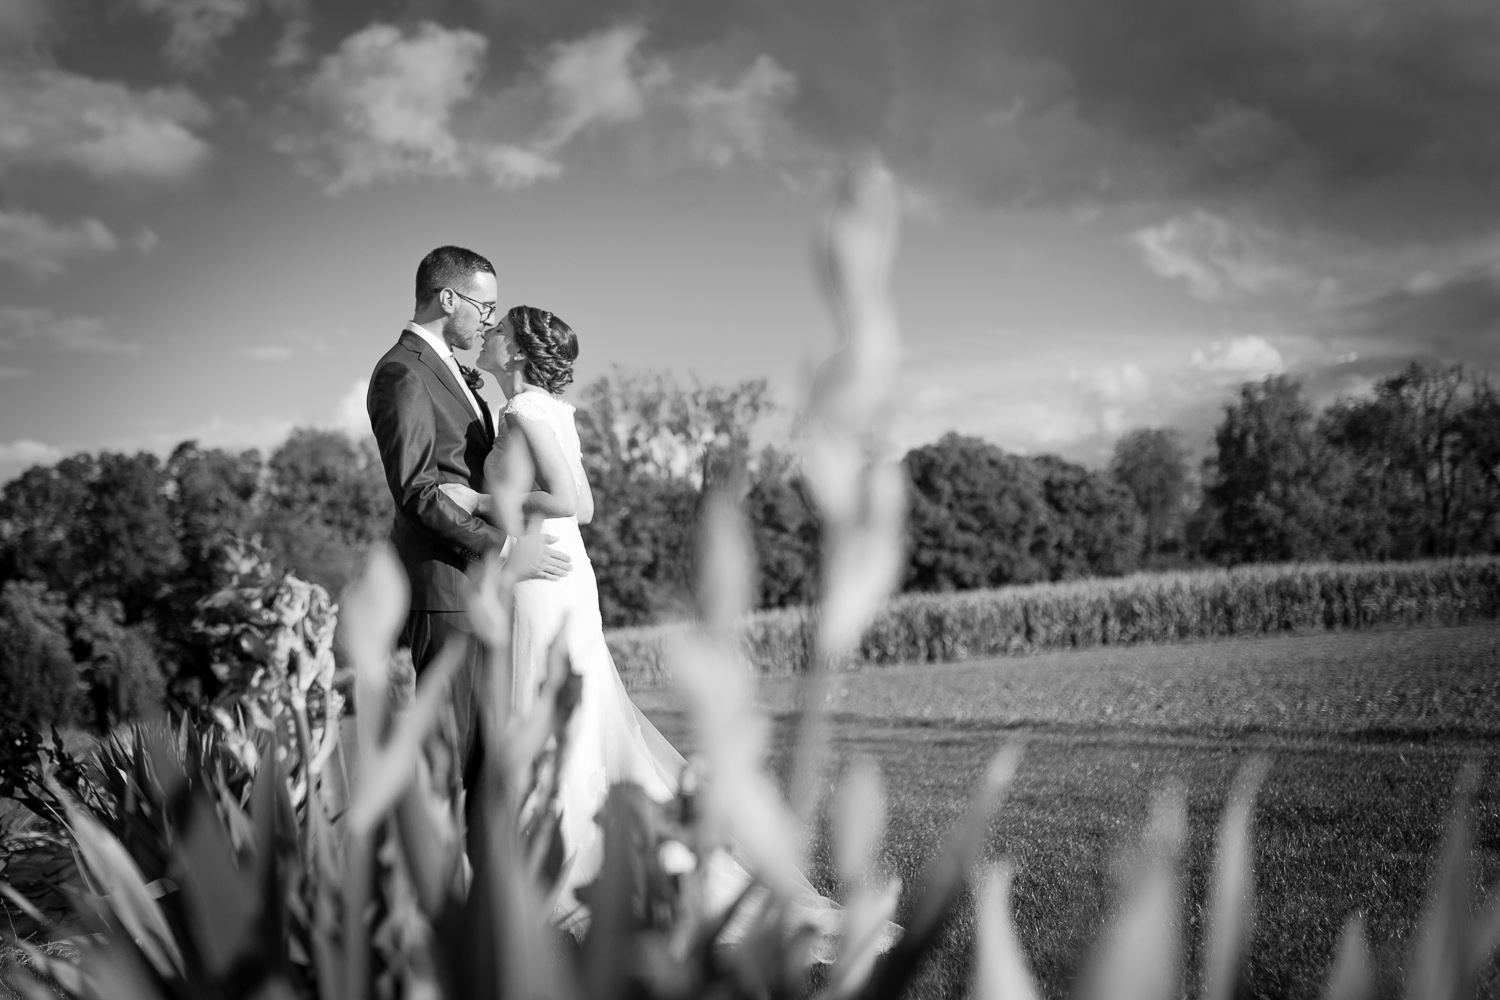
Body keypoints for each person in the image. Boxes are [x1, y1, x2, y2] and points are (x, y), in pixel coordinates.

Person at [439, 306, 871, 953]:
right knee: (566, 717)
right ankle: (554, 860)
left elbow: (576, 502)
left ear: (519, 352)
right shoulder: (542, 410)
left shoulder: (524, 412)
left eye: (500, 331)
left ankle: (563, 869)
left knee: (549, 713)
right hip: (544, 573)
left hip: (543, 576)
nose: (490, 334)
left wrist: (480, 502)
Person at [366, 248, 571, 793]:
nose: (487, 321)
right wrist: (502, 548)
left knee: (493, 757)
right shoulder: (402, 372)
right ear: (447, 297)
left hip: (482, 588)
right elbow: (417, 490)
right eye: (485, 307)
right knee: (458, 764)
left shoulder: (455, 372)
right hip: (447, 589)